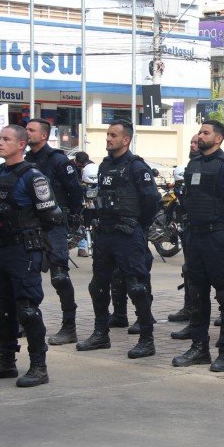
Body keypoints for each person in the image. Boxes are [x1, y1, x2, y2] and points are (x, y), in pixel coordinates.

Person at [0, 124, 62, 388]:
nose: (0, 143)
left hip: (23, 250)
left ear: (21, 144)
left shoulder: (32, 176)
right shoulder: (0, 172)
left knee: (27, 310)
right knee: (2, 308)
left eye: (6, 139)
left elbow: (52, 215)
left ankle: (39, 366)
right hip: (0, 249)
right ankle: (6, 362)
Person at [75, 120, 160, 358]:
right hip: (106, 233)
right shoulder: (104, 166)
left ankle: (147, 339)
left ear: (126, 140)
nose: (108, 139)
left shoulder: (136, 167)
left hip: (128, 234)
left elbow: (152, 200)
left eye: (113, 135)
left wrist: (139, 226)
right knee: (98, 285)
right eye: (107, 135)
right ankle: (100, 334)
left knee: (137, 287)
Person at [172, 120, 224, 372]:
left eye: (206, 133)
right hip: (195, 238)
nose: (200, 136)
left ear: (218, 138)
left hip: (219, 239)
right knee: (197, 293)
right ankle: (199, 348)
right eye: (200, 132)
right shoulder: (194, 164)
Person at [24, 118, 85, 346]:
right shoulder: (26, 160)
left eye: (31, 130)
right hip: (29, 225)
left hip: (53, 225)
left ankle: (69, 327)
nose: (27, 133)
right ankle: (26, 321)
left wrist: (69, 219)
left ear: (43, 135)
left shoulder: (58, 161)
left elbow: (75, 192)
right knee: (25, 274)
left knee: (59, 276)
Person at [169, 133, 202, 332]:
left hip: (206, 229)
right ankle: (189, 308)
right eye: (191, 141)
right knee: (188, 269)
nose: (193, 145)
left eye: (197, 141)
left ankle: (198, 315)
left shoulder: (209, 165)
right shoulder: (189, 166)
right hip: (188, 224)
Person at [71, 151, 94, 257]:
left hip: (89, 195)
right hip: (74, 196)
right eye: (79, 165)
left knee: (86, 221)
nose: (81, 167)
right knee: (76, 221)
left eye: (83, 165)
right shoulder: (69, 166)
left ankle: (82, 247)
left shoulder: (91, 166)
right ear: (76, 161)